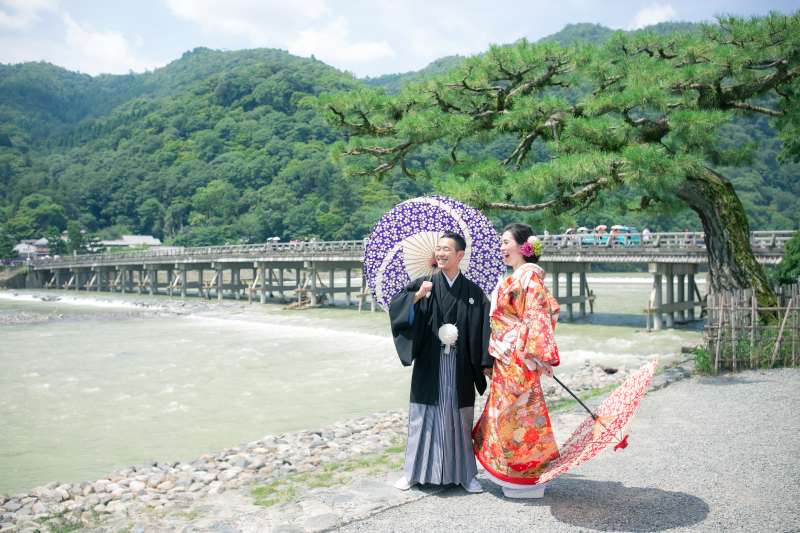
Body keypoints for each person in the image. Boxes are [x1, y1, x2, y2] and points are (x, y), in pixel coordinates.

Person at [389, 232, 493, 494]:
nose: (441, 253)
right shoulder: (424, 284)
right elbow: (397, 307)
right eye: (439, 248)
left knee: (459, 419)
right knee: (423, 418)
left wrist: (485, 363)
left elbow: (483, 329)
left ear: (460, 255)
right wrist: (416, 296)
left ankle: (465, 474)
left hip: (459, 366)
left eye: (447, 249)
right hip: (430, 362)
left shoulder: (473, 292)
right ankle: (413, 473)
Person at [473, 223, 561, 499]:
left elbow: (537, 316)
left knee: (518, 414)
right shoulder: (517, 278)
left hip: (519, 359)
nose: (501, 248)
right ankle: (512, 476)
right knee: (506, 415)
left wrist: (538, 354)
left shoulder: (529, 278)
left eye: (506, 242)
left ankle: (526, 477)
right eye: (500, 243)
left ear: (524, 246)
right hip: (506, 359)